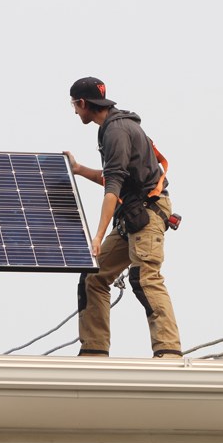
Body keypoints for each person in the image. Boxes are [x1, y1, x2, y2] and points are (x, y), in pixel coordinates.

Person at [65, 76, 182, 358]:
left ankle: (169, 351)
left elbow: (113, 185)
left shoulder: (115, 131)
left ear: (83, 103)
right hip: (132, 216)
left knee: (144, 276)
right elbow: (113, 177)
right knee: (94, 277)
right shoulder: (114, 127)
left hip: (147, 213)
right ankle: (94, 350)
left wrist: (97, 235)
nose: (75, 111)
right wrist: (79, 169)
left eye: (74, 105)